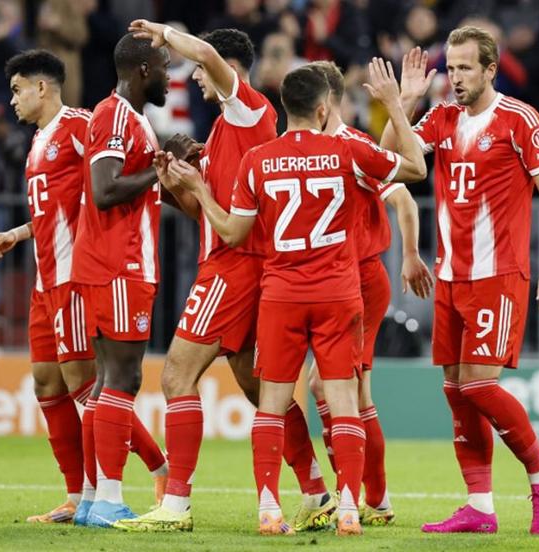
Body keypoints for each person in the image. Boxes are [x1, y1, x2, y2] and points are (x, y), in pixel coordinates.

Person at [166, 60, 427, 535]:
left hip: (282, 294)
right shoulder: (346, 152)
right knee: (344, 398)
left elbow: (233, 231)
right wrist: (393, 104)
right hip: (338, 292)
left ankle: (269, 508)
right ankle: (349, 506)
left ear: (283, 107)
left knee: (271, 403)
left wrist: (201, 191)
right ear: (324, 107)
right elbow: (415, 168)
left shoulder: (258, 159)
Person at [114, 22, 332, 533]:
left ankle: (176, 505)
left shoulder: (248, 107)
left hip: (233, 269)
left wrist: (165, 35)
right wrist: (174, 184)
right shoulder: (224, 133)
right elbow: (207, 212)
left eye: (200, 73)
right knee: (260, 388)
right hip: (250, 266)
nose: (194, 80)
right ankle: (318, 491)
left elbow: (208, 54)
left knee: (176, 376)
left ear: (228, 71)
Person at [380, 28, 539, 535]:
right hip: (451, 278)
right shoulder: (440, 118)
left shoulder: (519, 120)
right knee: (456, 392)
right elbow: (386, 164)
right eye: (452, 68)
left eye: (466, 68)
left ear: (490, 70)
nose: (456, 78)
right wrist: (405, 101)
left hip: (498, 274)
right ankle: (480, 507)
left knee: (480, 387)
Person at [0, 48, 172, 524]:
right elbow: (59, 207)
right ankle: (76, 494)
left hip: (75, 276)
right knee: (46, 383)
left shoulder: (81, 125)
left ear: (42, 87)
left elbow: (105, 182)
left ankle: (137, 472)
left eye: (17, 90)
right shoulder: (37, 141)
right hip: (43, 278)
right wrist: (20, 232)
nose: (13, 101)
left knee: (87, 386)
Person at [306, 59, 433, 528]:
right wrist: (409, 101)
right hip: (335, 278)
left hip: (357, 277)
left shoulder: (345, 145)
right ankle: (362, 492)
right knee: (331, 387)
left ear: (320, 106)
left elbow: (402, 193)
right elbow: (386, 177)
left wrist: (411, 254)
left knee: (349, 390)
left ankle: (369, 496)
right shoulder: (325, 147)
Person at [70, 33, 189, 528]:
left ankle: (92, 498)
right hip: (118, 264)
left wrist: (166, 168)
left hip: (108, 263)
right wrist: (159, 172)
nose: (168, 76)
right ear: (142, 69)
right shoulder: (116, 116)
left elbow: (129, 185)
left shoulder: (128, 119)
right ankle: (109, 500)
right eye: (163, 66)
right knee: (123, 379)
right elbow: (104, 191)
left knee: (105, 383)